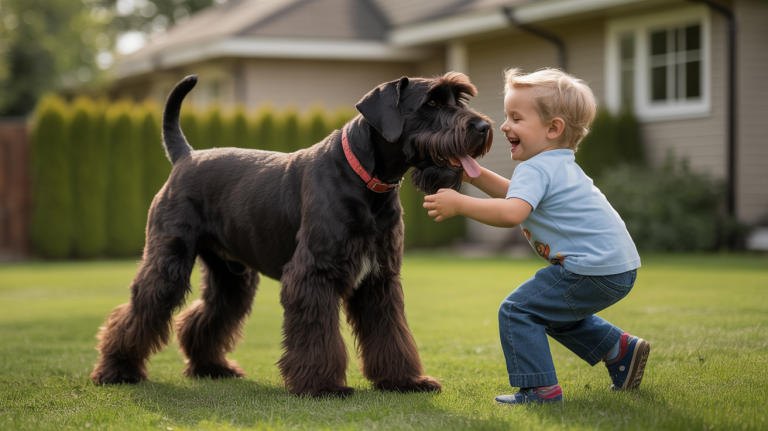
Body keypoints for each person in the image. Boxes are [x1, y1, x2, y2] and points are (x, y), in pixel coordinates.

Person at [422, 67, 649, 405]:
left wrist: (459, 203)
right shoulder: (558, 164)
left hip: (591, 267)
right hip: (616, 268)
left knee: (517, 311)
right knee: (548, 313)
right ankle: (619, 350)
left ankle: (540, 389)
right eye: (506, 116)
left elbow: (512, 212)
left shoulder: (536, 167)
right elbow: (515, 194)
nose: (504, 126)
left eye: (516, 118)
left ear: (553, 128)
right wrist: (473, 174)